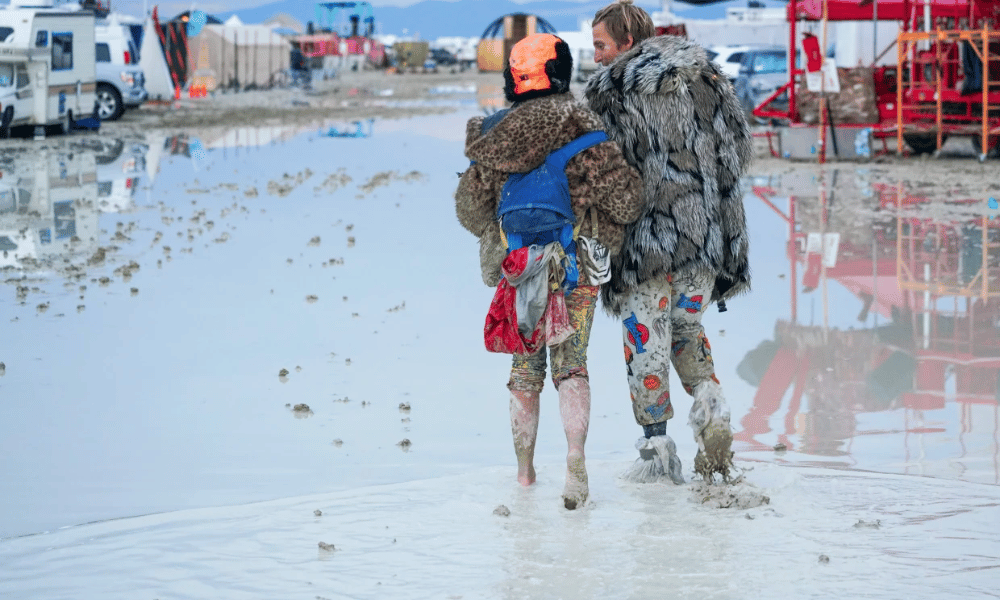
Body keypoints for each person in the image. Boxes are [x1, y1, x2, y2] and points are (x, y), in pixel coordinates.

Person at [455, 33, 644, 509]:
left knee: (524, 370)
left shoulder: (492, 135)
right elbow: (627, 200)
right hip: (575, 266)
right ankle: (575, 460)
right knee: (572, 364)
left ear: (512, 78)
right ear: (560, 72)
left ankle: (523, 474)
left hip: (516, 269)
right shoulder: (584, 128)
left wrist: (508, 236)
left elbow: (469, 211)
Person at [584, 0, 754, 482]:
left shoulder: (613, 90)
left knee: (646, 344)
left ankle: (658, 450)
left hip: (646, 244)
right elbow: (737, 152)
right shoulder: (710, 79)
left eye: (600, 45)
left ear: (626, 43)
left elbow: (604, 176)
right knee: (686, 330)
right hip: (706, 238)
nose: (595, 55)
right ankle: (711, 406)